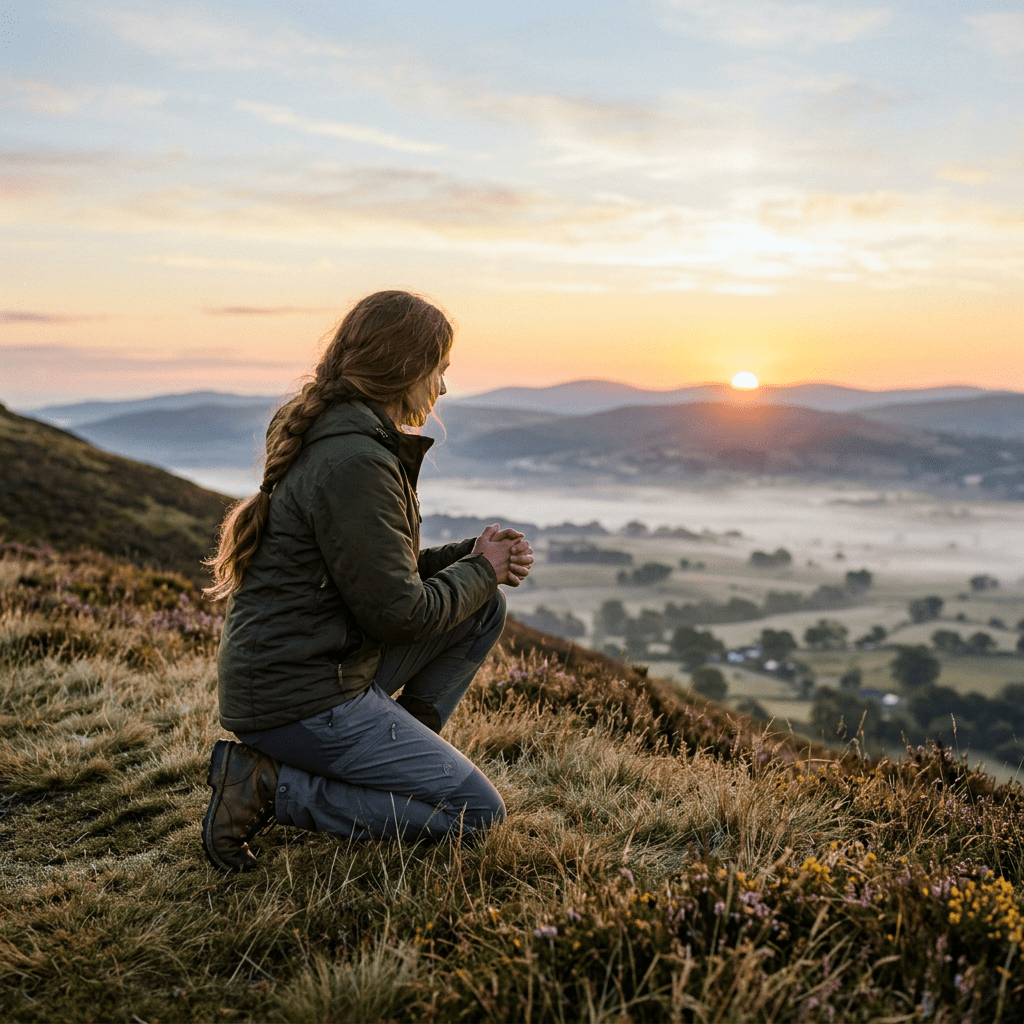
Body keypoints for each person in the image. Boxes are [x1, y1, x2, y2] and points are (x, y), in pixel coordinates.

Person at [200, 290, 534, 872]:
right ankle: (267, 786)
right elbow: (399, 615)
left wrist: (472, 557)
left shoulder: (346, 439)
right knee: (477, 815)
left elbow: (371, 572)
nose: (444, 389)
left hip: (310, 670)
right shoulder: (356, 460)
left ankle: (396, 749)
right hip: (299, 696)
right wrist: (483, 569)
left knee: (481, 607)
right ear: (404, 369)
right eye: (440, 371)